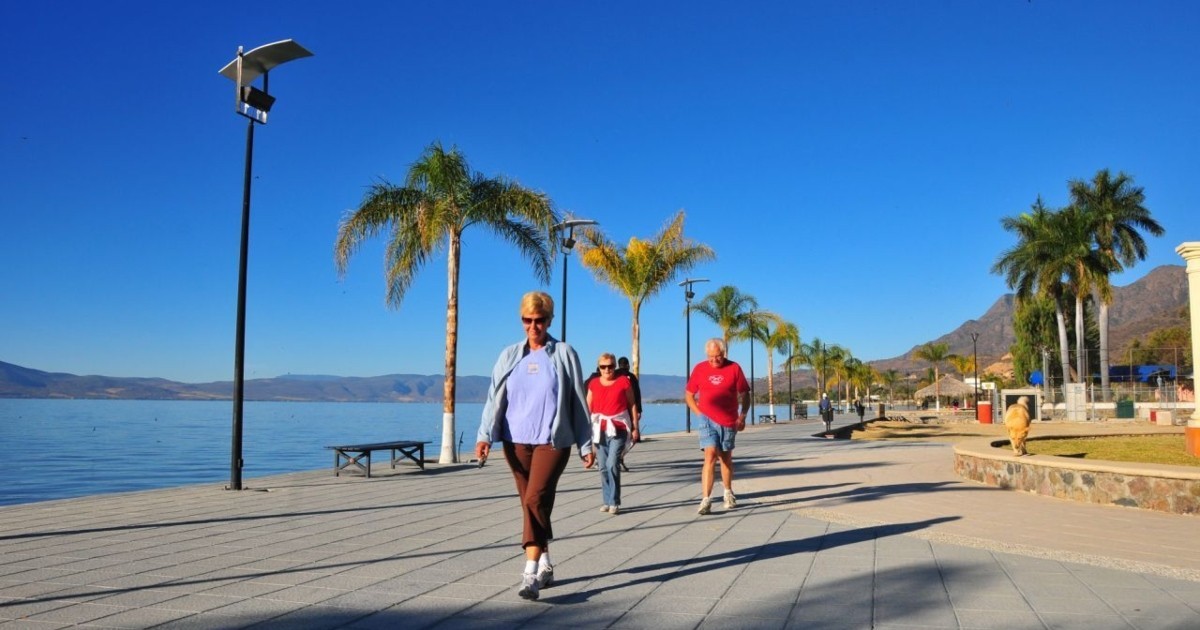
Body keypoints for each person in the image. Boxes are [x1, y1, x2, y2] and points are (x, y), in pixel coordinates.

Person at [476, 291, 594, 601]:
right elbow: (494, 397)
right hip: (515, 443)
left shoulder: (564, 353)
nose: (533, 326)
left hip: (552, 442)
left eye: (539, 321)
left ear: (550, 320)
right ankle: (545, 563)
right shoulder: (510, 355)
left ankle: (529, 575)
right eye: (527, 321)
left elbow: (578, 402)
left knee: (534, 498)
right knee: (533, 504)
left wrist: (586, 443)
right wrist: (484, 435)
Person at [684, 338, 749, 515]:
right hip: (706, 420)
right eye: (710, 357)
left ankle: (728, 492)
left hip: (729, 421)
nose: (714, 360)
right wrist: (699, 414)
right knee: (710, 454)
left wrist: (742, 416)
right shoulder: (699, 368)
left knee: (725, 458)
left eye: (718, 356)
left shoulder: (734, 368)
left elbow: (745, 395)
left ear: (724, 353)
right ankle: (706, 499)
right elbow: (689, 395)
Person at [587, 352, 640, 515]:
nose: (607, 370)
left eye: (610, 366)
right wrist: (583, 430)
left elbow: (632, 404)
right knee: (602, 467)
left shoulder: (623, 381)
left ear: (615, 366)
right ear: (599, 368)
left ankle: (615, 501)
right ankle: (607, 500)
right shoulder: (594, 383)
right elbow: (587, 407)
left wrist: (635, 427)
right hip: (600, 430)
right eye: (603, 367)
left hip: (619, 429)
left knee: (612, 464)